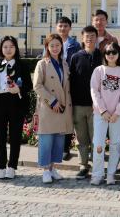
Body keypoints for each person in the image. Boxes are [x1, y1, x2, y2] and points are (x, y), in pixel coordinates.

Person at [0, 35, 33, 179]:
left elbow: (29, 85)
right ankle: (1, 166)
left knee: (15, 137)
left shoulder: (22, 65)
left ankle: (12, 166)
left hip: (16, 103)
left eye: (11, 47)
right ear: (1, 48)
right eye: (5, 47)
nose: (8, 49)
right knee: (0, 137)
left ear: (16, 48)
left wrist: (19, 89)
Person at [33, 34, 74, 184]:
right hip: (48, 107)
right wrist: (52, 101)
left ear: (61, 47)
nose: (55, 48)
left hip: (62, 107)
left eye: (58, 45)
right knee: (47, 139)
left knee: (58, 140)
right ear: (47, 47)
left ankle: (52, 168)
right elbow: (37, 86)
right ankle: (45, 170)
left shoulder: (64, 64)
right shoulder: (42, 64)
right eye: (52, 46)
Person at [89, 42, 120, 185]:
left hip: (118, 116)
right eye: (108, 52)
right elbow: (94, 91)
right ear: (104, 55)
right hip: (101, 114)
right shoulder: (98, 71)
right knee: (98, 144)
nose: (111, 55)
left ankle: (111, 174)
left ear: (118, 54)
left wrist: (117, 113)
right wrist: (103, 110)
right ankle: (97, 174)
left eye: (114, 52)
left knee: (115, 145)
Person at [69, 25, 103, 180]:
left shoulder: (102, 56)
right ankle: (83, 165)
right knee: (81, 138)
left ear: (96, 38)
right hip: (78, 105)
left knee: (96, 138)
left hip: (97, 107)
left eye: (92, 36)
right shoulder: (76, 57)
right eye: (87, 36)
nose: (89, 39)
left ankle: (97, 165)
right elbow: (70, 81)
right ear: (82, 38)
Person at [49, 16, 81, 161]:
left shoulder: (75, 45)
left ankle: (65, 148)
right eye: (60, 26)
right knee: (55, 116)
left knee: (67, 117)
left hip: (69, 85)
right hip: (53, 86)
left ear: (70, 28)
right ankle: (55, 148)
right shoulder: (50, 42)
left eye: (65, 26)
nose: (63, 28)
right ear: (56, 27)